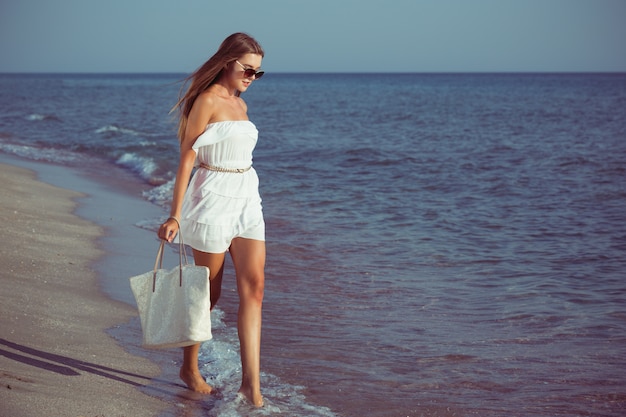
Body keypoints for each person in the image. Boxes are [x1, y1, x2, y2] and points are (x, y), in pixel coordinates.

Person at [157, 32, 266, 407]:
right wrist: (174, 214)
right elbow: (187, 158)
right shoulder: (207, 100)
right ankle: (189, 367)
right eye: (248, 69)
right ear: (227, 62)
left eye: (258, 73)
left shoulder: (239, 102)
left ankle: (251, 386)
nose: (252, 77)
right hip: (212, 197)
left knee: (255, 288)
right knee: (210, 293)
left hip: (247, 197)